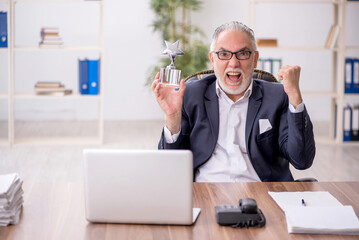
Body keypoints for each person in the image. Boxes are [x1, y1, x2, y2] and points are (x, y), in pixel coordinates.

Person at [151, 21, 315, 182]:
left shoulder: (278, 96)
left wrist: (295, 97)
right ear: (212, 59)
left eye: (243, 54)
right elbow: (171, 167)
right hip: (206, 192)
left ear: (255, 58)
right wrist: (172, 116)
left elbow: (302, 160)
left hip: (262, 193)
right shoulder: (190, 95)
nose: (234, 63)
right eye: (223, 54)